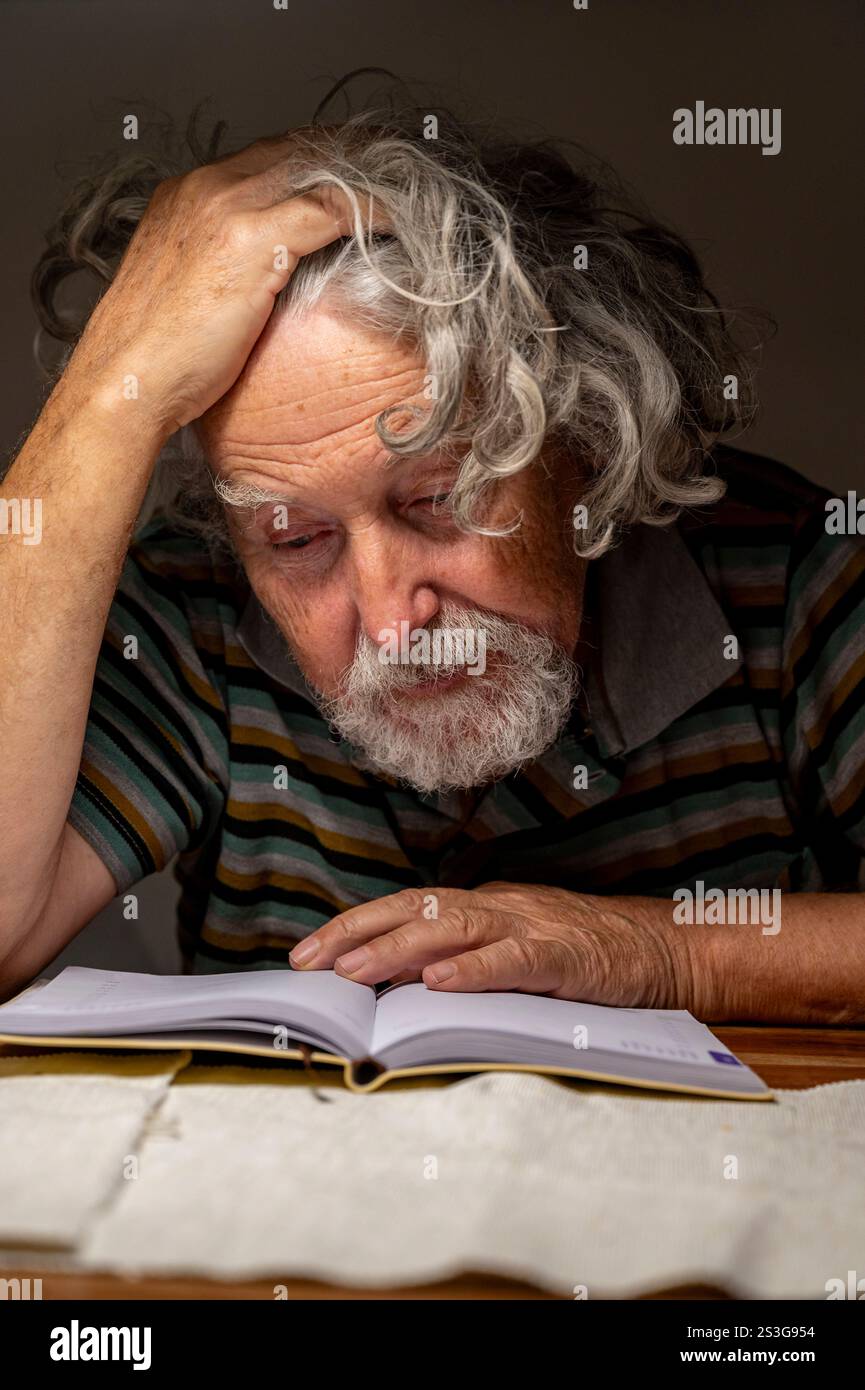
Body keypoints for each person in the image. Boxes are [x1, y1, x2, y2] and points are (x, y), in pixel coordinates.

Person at [1, 89, 863, 1022]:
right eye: (296, 538)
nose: (388, 620)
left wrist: (660, 951)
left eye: (439, 499)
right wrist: (108, 396)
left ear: (585, 444)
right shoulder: (188, 612)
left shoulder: (798, 575)